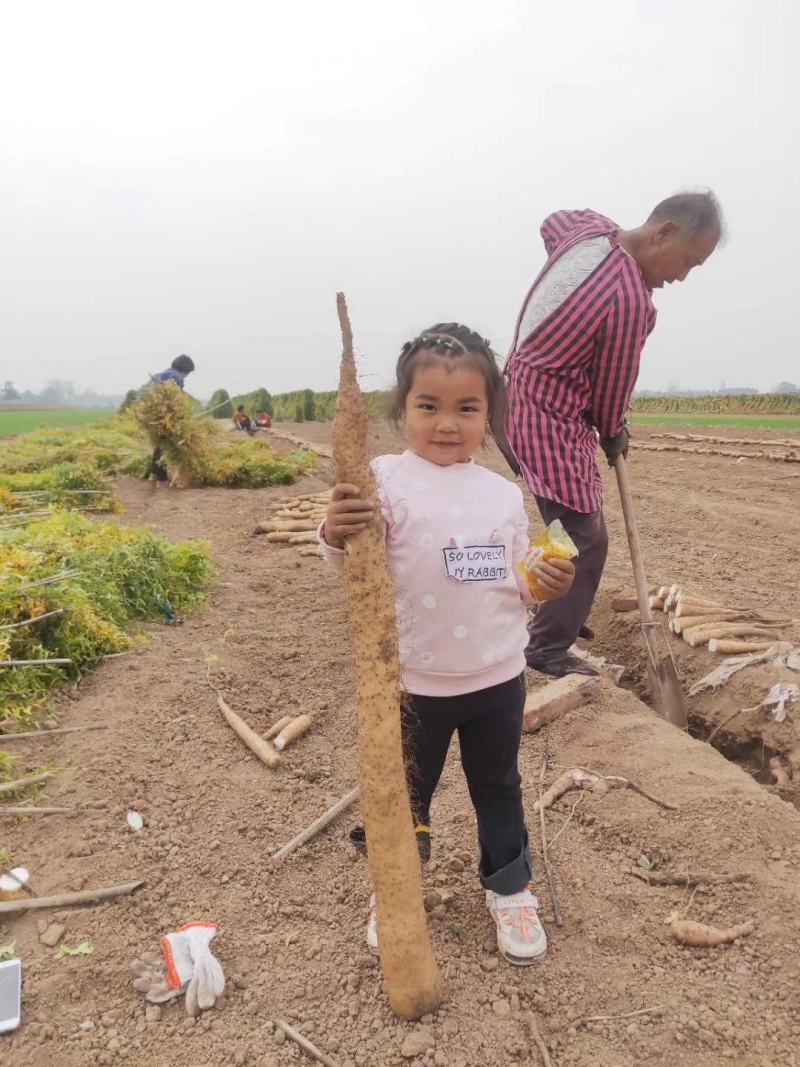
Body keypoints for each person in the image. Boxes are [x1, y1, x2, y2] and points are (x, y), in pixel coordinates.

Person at [319, 324, 575, 965]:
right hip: (414, 684)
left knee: (498, 786)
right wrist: (334, 529)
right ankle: (397, 891)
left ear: (490, 416)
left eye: (467, 408)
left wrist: (543, 579)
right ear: (402, 409)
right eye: (428, 406)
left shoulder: (501, 493)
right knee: (407, 792)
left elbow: (518, 581)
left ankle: (511, 891)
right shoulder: (383, 481)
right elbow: (352, 563)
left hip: (496, 678)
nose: (446, 423)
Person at [504, 192, 723, 677]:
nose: (681, 277)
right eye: (687, 261)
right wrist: (613, 430)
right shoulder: (629, 301)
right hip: (548, 415)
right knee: (583, 536)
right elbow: (611, 390)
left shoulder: (587, 230)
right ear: (662, 233)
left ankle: (558, 605)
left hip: (513, 394)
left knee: (563, 527)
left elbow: (551, 220)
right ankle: (545, 648)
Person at [143, 354, 195, 485]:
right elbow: (174, 399)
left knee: (159, 444)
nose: (186, 376)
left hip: (152, 416)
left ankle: (153, 475)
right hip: (165, 417)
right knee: (166, 446)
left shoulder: (160, 374)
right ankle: (162, 479)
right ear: (185, 369)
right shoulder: (176, 377)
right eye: (188, 373)